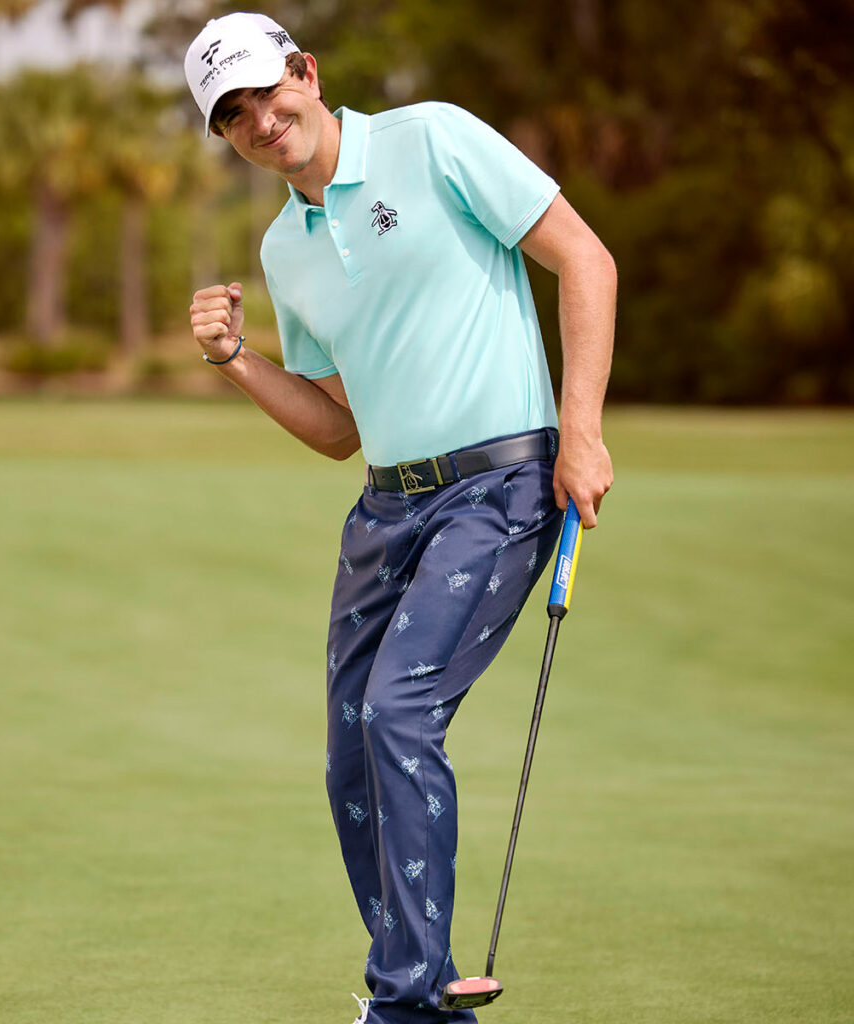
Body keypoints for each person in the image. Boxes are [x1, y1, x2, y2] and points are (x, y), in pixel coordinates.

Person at [184, 13, 616, 1024]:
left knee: (398, 710)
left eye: (266, 92)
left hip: (499, 487)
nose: (260, 121)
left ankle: (408, 1001)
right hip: (386, 508)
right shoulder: (283, 249)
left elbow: (584, 259)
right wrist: (234, 360)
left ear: (307, 71)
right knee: (351, 758)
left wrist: (582, 433)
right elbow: (338, 427)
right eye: (232, 115)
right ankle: (424, 993)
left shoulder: (432, 139)